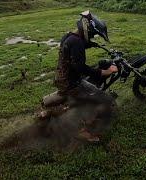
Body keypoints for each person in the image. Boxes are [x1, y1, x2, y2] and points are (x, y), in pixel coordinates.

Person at [41, 10, 118, 142]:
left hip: (63, 77)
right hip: (72, 83)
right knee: (101, 100)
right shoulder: (77, 43)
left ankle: (50, 112)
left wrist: (90, 44)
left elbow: (72, 49)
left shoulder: (69, 37)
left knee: (93, 89)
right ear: (88, 30)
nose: (93, 36)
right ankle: (81, 131)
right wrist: (104, 72)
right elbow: (81, 68)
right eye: (93, 34)